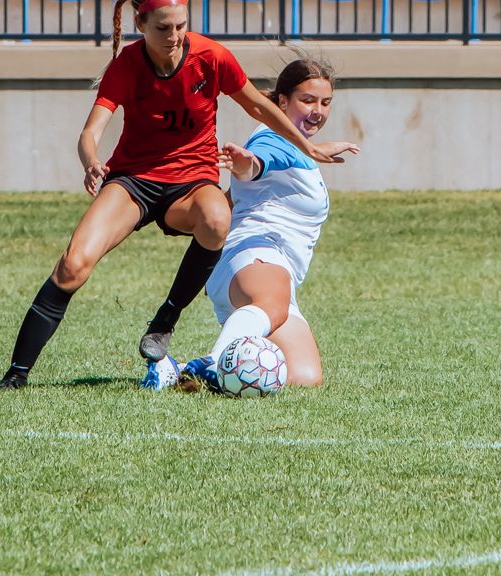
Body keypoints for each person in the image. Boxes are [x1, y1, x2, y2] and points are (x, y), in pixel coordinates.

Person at [0, 0, 342, 390]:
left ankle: (164, 322)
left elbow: (259, 108)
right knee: (73, 265)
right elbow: (90, 132)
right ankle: (16, 375)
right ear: (141, 25)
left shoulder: (211, 57)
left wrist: (308, 146)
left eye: (181, 25)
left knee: (217, 218)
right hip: (134, 181)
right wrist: (91, 162)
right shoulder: (127, 66)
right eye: (163, 28)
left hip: (192, 183)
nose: (175, 36)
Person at [143, 58, 359, 392]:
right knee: (271, 304)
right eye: (307, 100)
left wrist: (317, 151)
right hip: (256, 258)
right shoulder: (271, 136)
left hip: (265, 274)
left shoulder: (295, 144)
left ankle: (177, 369)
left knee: (304, 377)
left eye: (325, 102)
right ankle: (213, 363)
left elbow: (246, 190)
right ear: (282, 102)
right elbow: (258, 162)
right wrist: (247, 165)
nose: (318, 111)